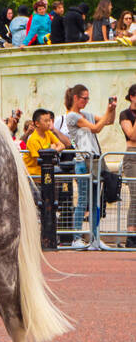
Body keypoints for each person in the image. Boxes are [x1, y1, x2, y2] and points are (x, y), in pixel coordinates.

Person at [62, 83, 116, 248]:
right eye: (84, 98)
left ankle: (94, 237)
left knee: (95, 202)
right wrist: (108, 111)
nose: (86, 101)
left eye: (88, 98)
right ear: (76, 98)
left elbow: (108, 121)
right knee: (83, 200)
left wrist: (112, 108)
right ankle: (77, 237)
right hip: (82, 161)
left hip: (93, 160)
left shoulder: (85, 115)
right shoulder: (72, 116)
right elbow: (95, 129)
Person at [23, 109, 69, 180]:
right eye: (46, 121)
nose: (48, 123)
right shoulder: (33, 140)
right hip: (33, 177)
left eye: (49, 120)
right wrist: (52, 149)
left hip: (45, 175)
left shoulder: (48, 133)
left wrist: (52, 150)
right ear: (37, 123)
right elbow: (41, 160)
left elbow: (62, 146)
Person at [120, 83, 136, 247]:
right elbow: (132, 134)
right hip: (132, 157)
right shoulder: (125, 114)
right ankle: (131, 234)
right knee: (135, 195)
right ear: (132, 96)